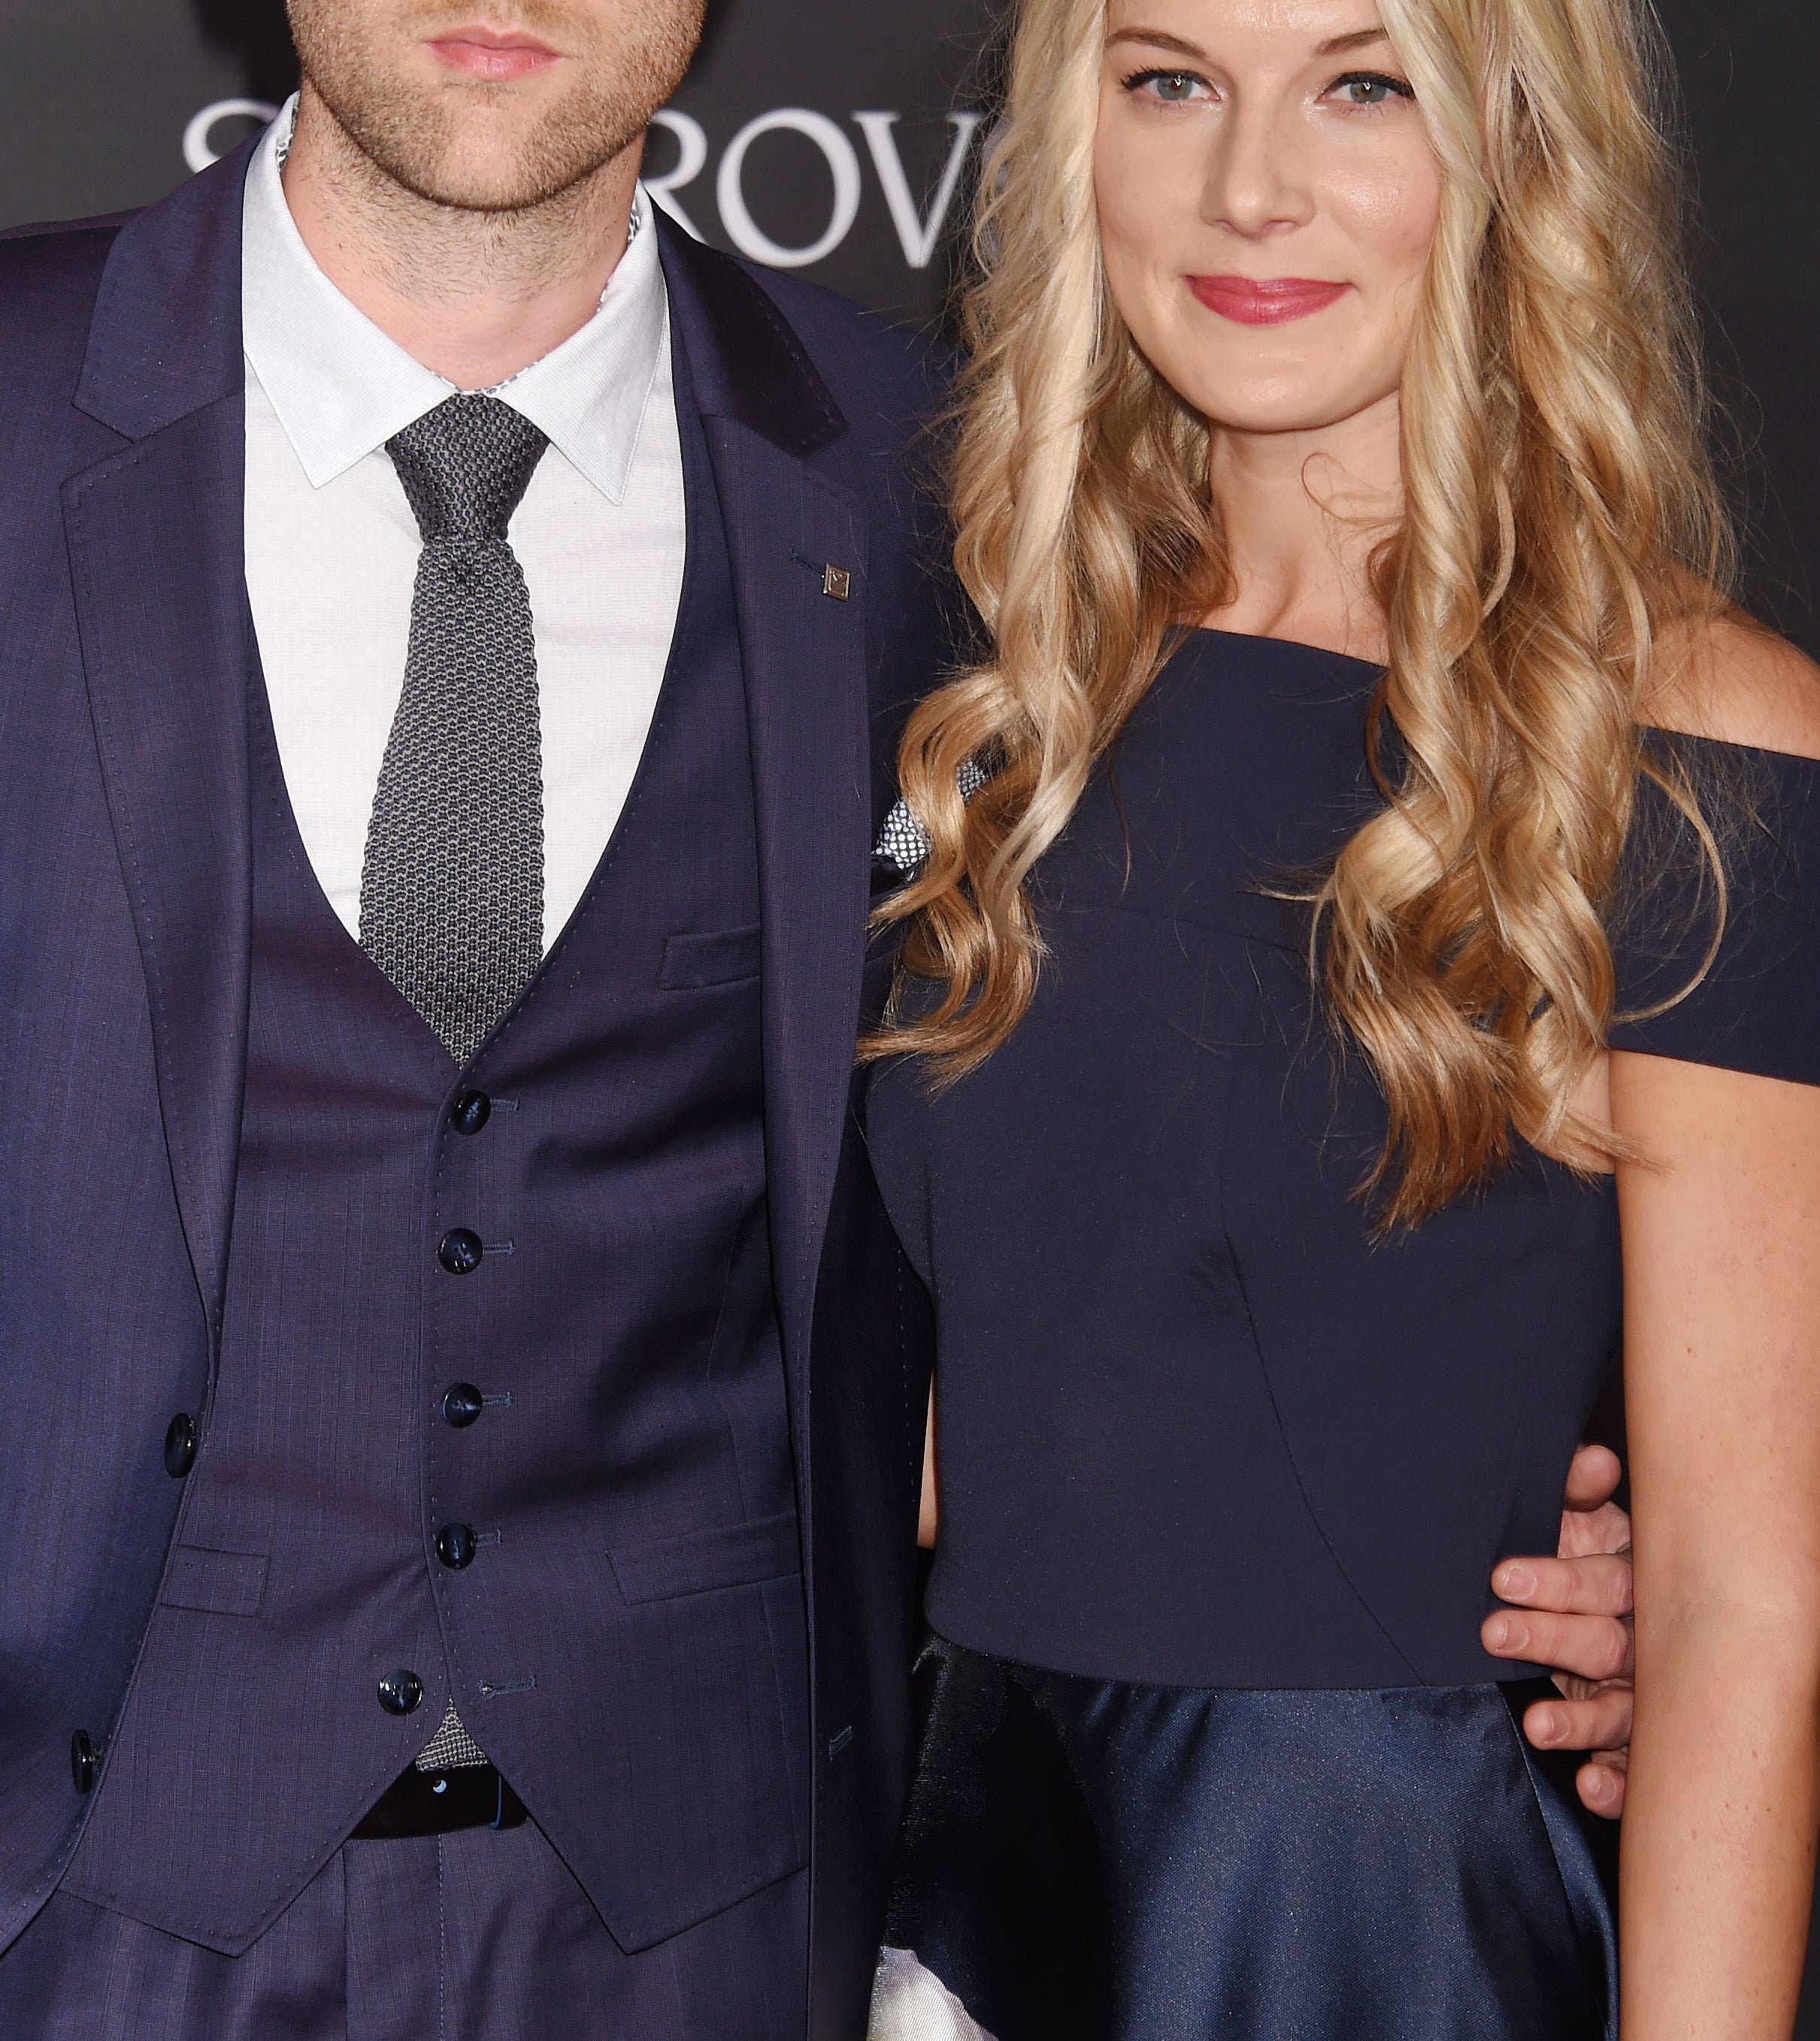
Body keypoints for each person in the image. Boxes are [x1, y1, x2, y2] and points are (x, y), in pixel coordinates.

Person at [0, 0, 1638, 2034]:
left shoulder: (959, 499)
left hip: (726, 1929)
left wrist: (1531, 1553)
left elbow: (1185, 1149)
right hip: (73, 1918)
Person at [861, 0, 1820, 2034]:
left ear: (1511, 150)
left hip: (1381, 1920)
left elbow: (1745, 1612)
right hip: (978, 1880)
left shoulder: (1691, 730)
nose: (1250, 188)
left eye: (1362, 85)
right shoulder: (991, 705)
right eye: (1172, 81)